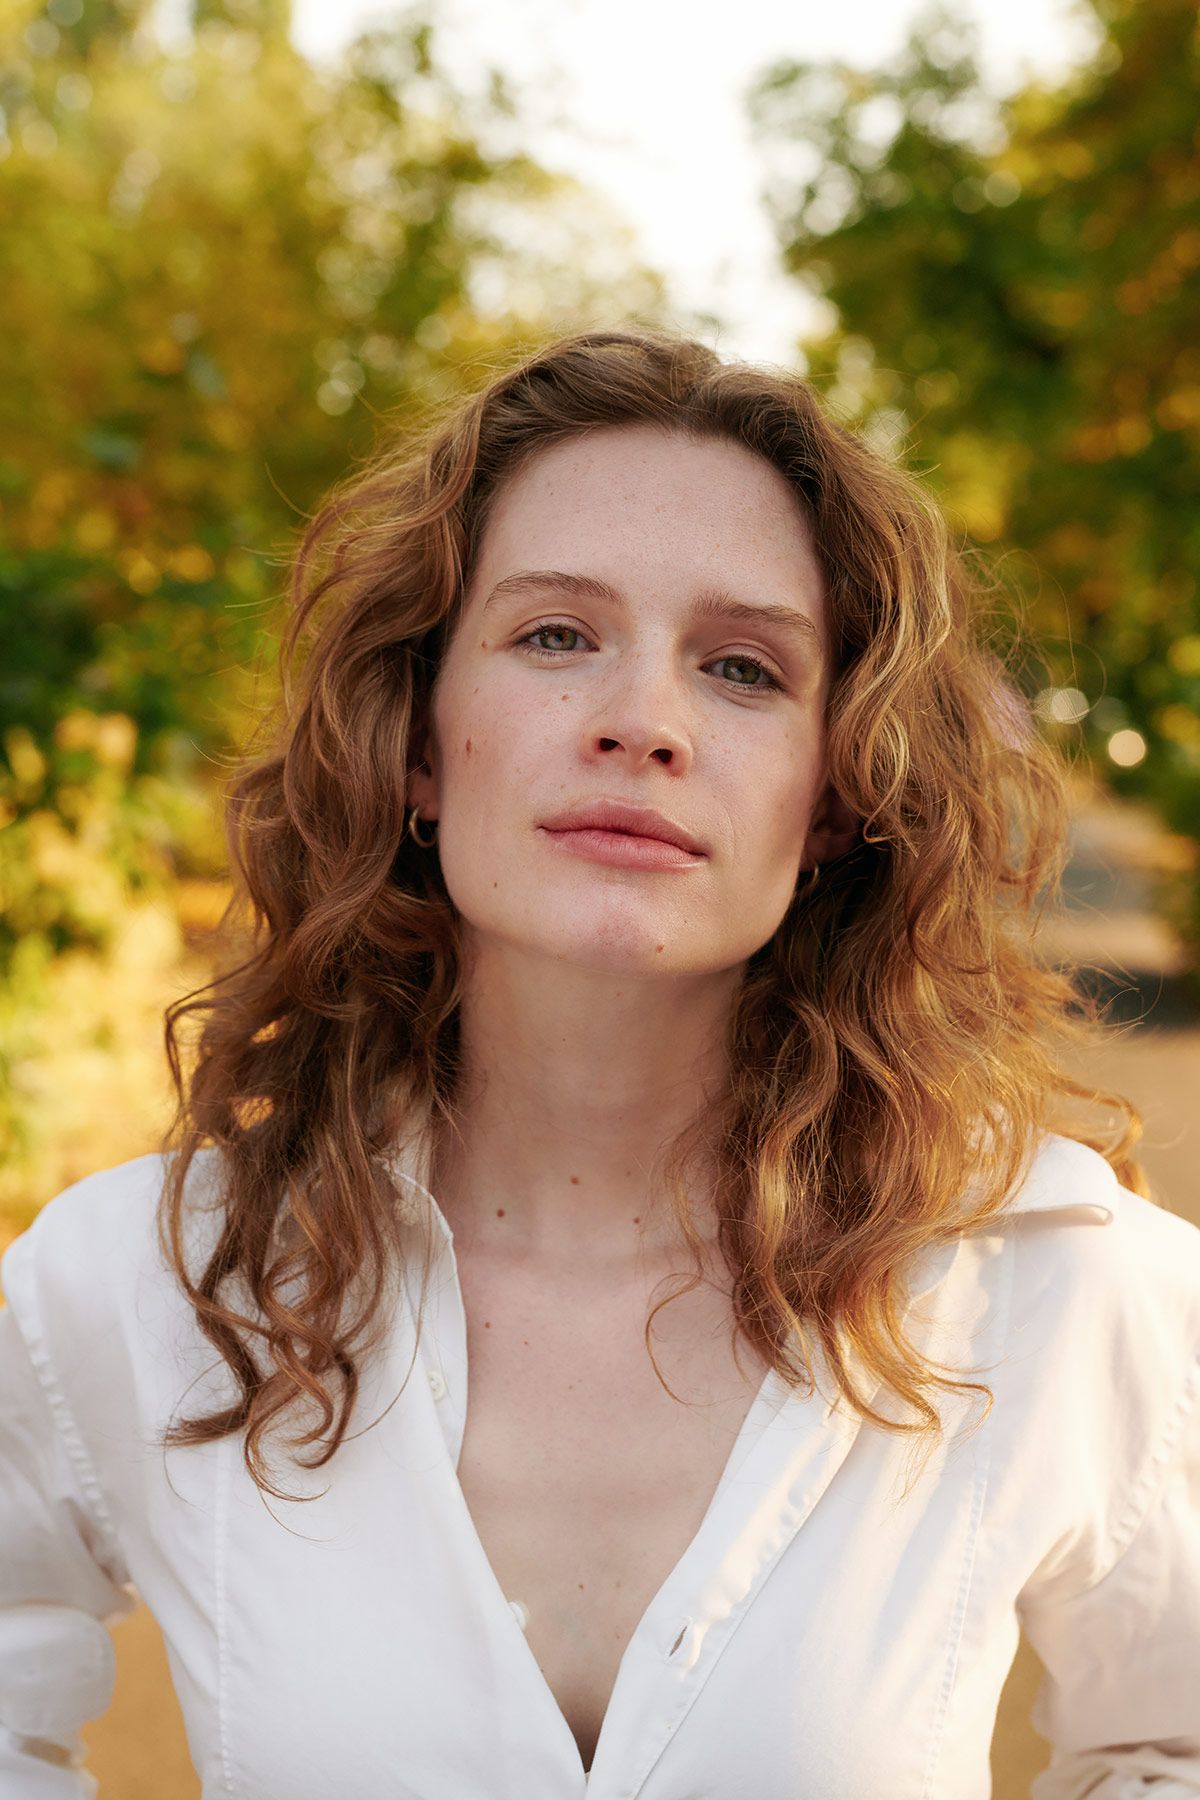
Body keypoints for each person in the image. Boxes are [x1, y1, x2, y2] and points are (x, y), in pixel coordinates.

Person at [1, 325, 1197, 1798]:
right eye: (556, 637)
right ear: (419, 743)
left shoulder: (1052, 1282)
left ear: (834, 795)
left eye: (744, 668)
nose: (643, 724)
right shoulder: (146, 1284)